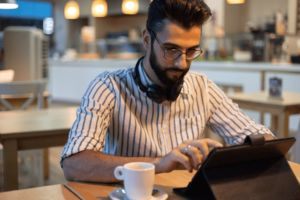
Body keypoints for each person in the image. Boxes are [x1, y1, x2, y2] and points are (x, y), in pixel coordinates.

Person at [61, 0, 275, 183]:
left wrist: (225, 158)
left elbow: (264, 140)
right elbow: (74, 164)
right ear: (147, 40)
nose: (182, 63)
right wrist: (159, 164)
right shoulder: (108, 87)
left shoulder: (203, 87)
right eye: (171, 49)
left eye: (191, 51)